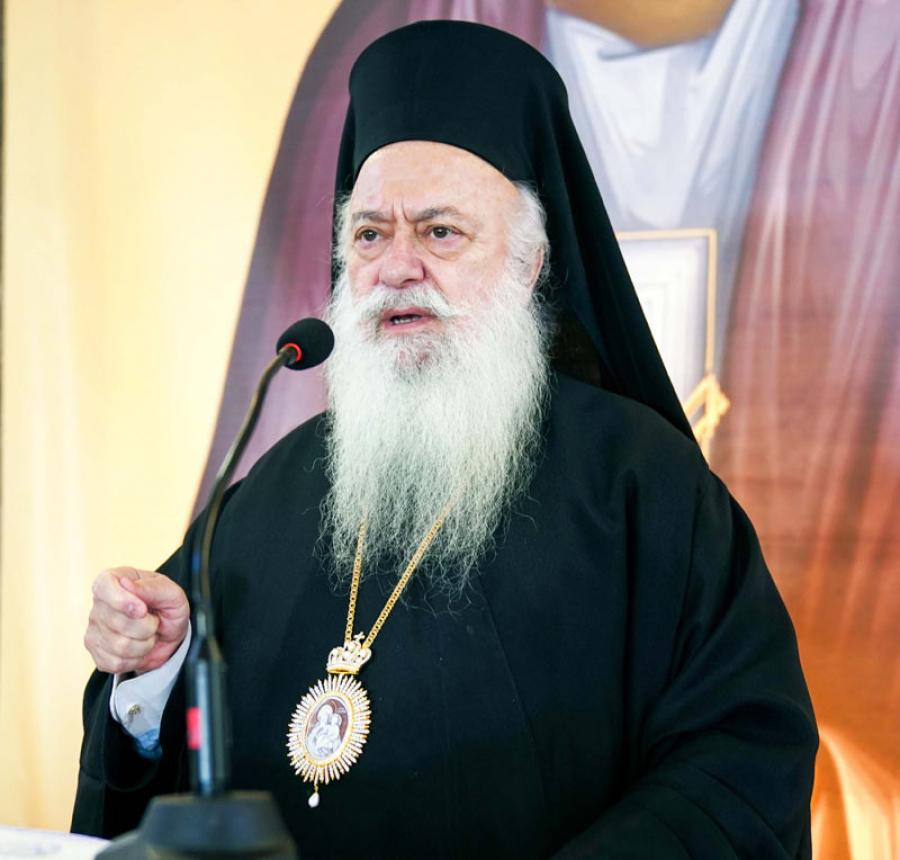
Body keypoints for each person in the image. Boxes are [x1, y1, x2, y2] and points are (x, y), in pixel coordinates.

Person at [73, 21, 817, 858]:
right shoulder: (261, 501)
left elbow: (741, 759)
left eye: (439, 232)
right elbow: (160, 777)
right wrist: (153, 674)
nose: (396, 267)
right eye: (369, 234)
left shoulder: (644, 487)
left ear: (530, 264)